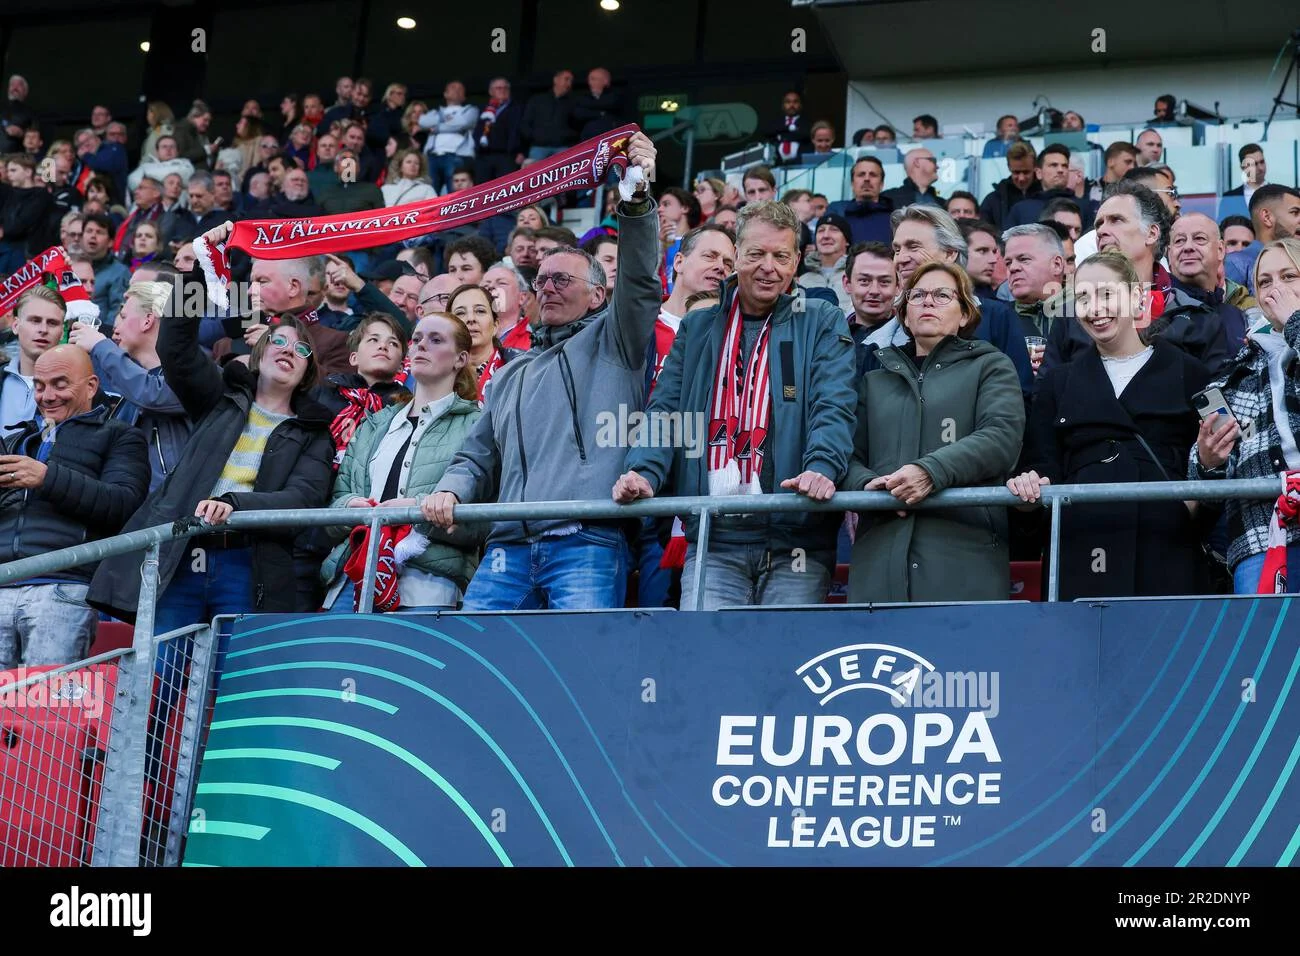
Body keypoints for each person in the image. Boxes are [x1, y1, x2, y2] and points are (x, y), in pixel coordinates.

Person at [423, 131, 659, 610]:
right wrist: (449, 489)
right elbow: (475, 457)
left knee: (579, 673)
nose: (547, 288)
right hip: (506, 548)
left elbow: (638, 279)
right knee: (481, 670)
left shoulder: (617, 341)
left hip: (586, 541)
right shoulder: (510, 373)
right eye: (540, 280)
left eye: (562, 279)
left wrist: (635, 194)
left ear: (596, 295)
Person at [612, 200, 857, 610]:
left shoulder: (820, 320)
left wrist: (823, 466)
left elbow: (834, 404)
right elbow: (665, 411)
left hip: (796, 530)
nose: (769, 267)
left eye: (781, 256)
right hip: (712, 533)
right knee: (707, 662)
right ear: (736, 256)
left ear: (796, 261)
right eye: (757, 254)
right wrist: (644, 470)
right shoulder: (698, 325)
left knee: (785, 664)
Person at [86, 245, 335, 631]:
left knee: (233, 679)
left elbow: (302, 498)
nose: (289, 351)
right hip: (182, 550)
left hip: (248, 561)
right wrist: (198, 273)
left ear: (307, 371)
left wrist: (234, 504)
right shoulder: (220, 397)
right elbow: (176, 350)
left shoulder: (315, 432)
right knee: (164, 673)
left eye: (301, 349)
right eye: (279, 342)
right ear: (259, 353)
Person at [1008, 251, 1214, 600]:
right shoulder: (1059, 382)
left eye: (1106, 294)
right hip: (1083, 544)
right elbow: (1041, 465)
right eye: (1083, 298)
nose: (1095, 308)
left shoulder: (1188, 371)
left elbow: (1212, 461)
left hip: (1164, 544)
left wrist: (1193, 499)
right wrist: (1028, 487)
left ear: (1136, 297)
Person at [843, 261, 1024, 603]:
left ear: (965, 314)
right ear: (904, 315)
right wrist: (867, 488)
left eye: (942, 295)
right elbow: (848, 455)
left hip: (963, 561)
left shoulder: (992, 365)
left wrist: (930, 472)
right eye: (918, 295)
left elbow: (1001, 438)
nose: (928, 302)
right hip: (880, 562)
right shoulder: (874, 379)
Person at [319, 312, 483, 613]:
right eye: (417, 340)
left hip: (427, 586)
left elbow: (480, 522)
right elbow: (335, 506)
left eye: (436, 340)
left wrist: (415, 512)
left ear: (460, 359)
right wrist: (350, 508)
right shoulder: (373, 423)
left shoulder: (476, 423)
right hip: (351, 576)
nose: (421, 346)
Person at [0, 345, 149, 668]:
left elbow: (123, 505)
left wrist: (47, 478)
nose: (47, 396)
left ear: (92, 386)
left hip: (62, 588)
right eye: (39, 386)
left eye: (60, 384)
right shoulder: (17, 440)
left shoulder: (121, 436)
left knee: (44, 715)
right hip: (2, 581)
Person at [1191, 238, 1300, 593]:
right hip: (1259, 537)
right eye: (1265, 282)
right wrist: (1207, 460)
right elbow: (1203, 489)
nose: (1276, 289)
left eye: (1288, 276)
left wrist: (1295, 323)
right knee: (1264, 647)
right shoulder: (1232, 374)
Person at [67, 281, 192, 493]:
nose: (117, 326)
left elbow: (153, 394)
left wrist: (100, 345)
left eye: (124, 317)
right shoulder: (133, 389)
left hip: (169, 509)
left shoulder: (195, 372)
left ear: (147, 321)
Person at [447, 283, 525, 400]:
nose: (471, 319)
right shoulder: (437, 372)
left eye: (480, 311)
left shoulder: (520, 367)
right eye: (460, 313)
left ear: (495, 325)